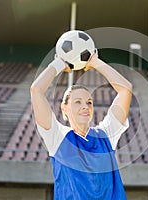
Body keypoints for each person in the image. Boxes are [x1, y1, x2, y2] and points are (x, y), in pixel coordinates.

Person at [30, 45, 132, 199]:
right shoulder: (57, 137)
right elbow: (36, 90)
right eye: (78, 102)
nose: (85, 106)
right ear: (64, 108)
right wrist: (58, 64)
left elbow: (125, 89)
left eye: (89, 102)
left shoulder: (106, 135)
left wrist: (96, 63)